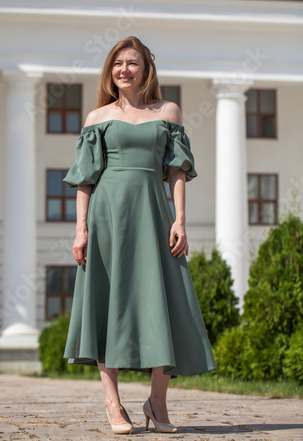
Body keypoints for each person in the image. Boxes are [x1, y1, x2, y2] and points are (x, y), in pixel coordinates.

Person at [63, 36, 216, 435]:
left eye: (132, 63)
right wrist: (80, 229)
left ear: (146, 69)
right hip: (108, 216)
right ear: (109, 70)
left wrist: (180, 219)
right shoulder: (97, 118)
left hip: (154, 213)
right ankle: (113, 405)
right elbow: (84, 179)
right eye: (117, 63)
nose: (124, 70)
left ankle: (157, 403)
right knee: (106, 299)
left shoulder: (168, 111)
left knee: (165, 299)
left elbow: (177, 171)